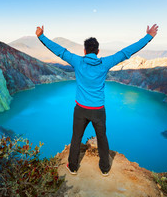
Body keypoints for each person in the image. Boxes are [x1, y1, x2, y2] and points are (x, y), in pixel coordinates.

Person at [35, 24, 159, 176]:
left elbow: (59, 51)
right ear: (98, 51)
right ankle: (105, 168)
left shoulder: (77, 61)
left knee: (76, 138)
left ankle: (73, 167)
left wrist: (41, 36)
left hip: (80, 109)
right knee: (102, 138)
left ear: (85, 50)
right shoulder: (105, 63)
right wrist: (149, 37)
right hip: (98, 110)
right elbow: (126, 52)